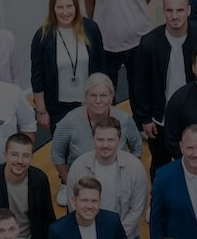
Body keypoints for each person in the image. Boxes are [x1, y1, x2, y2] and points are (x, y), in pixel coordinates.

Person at [137, 0, 197, 173]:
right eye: (169, 10)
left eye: (180, 10)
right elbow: (141, 84)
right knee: (160, 165)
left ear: (189, 10)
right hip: (160, 118)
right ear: (163, 12)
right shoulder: (149, 43)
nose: (174, 16)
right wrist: (145, 119)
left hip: (196, 116)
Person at [68, 117, 149, 239]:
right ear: (93, 139)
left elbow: (137, 209)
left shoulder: (135, 168)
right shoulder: (78, 167)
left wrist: (114, 236)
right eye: (100, 139)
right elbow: (74, 207)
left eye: (110, 140)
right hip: (89, 238)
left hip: (126, 238)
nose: (105, 145)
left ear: (119, 140)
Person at [54, 76, 143, 204]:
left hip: (116, 187)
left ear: (111, 97)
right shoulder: (70, 121)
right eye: (93, 95)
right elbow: (56, 153)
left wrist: (128, 177)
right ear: (85, 97)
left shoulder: (124, 120)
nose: (98, 100)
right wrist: (69, 182)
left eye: (103, 95)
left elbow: (137, 148)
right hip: (82, 188)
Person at [32, 0, 108, 127]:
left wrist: (105, 101)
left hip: (91, 104)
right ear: (53, 9)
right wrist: (41, 111)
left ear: (76, 7)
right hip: (58, 108)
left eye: (69, 6)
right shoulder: (42, 36)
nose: (65, 12)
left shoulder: (91, 29)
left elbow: (101, 67)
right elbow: (37, 77)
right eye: (60, 7)